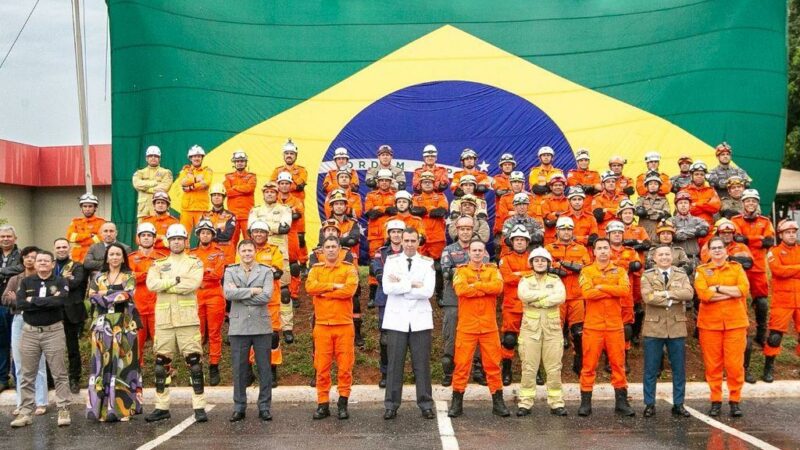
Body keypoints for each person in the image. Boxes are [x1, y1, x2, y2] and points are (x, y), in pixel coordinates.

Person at [145, 224, 208, 423]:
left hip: (188, 320)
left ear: (186, 241)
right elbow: (151, 285)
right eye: (173, 239)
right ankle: (161, 407)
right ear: (168, 241)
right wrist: (176, 281)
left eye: (180, 239)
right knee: (161, 365)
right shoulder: (158, 263)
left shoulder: (194, 262)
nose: (177, 242)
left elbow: (193, 284)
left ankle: (199, 407)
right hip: (164, 321)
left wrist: (167, 283)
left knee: (194, 364)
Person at [448, 240, 510, 418]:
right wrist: (484, 288)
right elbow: (460, 290)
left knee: (493, 366)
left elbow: (497, 287)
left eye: (480, 250)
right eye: (473, 250)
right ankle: (456, 404)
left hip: (489, 327)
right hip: (467, 327)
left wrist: (476, 286)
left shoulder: (493, 270)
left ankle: (498, 403)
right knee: (461, 366)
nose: (476, 253)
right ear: (468, 252)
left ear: (484, 253)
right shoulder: (460, 271)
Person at [11, 251, 72, 428]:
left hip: (53, 332)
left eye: (46, 260)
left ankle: (63, 409)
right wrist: (45, 300)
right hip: (29, 333)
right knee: (26, 374)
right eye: (39, 261)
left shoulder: (60, 281)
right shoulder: (26, 281)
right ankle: (25, 413)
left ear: (52, 264)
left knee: (59, 373)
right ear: (35, 264)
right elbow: (20, 304)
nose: (43, 263)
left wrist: (33, 300)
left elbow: (60, 302)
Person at [380, 228, 435, 420]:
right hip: (397, 320)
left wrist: (402, 284)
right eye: (407, 240)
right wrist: (413, 283)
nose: (410, 244)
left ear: (419, 242)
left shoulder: (428, 263)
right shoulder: (391, 261)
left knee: (422, 365)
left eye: (413, 240)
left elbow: (428, 291)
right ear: (400, 241)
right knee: (395, 364)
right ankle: (391, 405)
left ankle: (426, 404)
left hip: (420, 321)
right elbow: (387, 288)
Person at [577, 238, 635, 417]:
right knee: (588, 365)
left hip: (614, 326)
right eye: (599, 248)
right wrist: (611, 289)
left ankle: (622, 402)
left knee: (618, 365)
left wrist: (601, 286)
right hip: (593, 327)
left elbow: (625, 291)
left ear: (610, 251)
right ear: (593, 252)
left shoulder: (620, 270)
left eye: (605, 248)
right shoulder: (586, 271)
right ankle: (585, 403)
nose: (603, 251)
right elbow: (587, 293)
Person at [694, 236, 750, 417]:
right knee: (713, 366)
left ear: (727, 251)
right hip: (710, 325)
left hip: (735, 324)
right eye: (714, 248)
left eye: (720, 248)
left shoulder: (737, 268)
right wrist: (729, 292)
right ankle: (715, 400)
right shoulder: (702, 270)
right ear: (708, 252)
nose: (717, 251)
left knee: (734, 365)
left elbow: (743, 290)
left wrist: (717, 288)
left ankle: (735, 400)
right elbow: (703, 294)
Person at [86, 243, 142, 422]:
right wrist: (112, 296)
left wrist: (105, 296)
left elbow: (127, 295)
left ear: (123, 257)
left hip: (124, 325)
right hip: (101, 325)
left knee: (122, 365)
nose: (115, 257)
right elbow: (91, 295)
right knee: (100, 365)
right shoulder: (98, 276)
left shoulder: (129, 276)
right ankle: (99, 411)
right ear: (107, 257)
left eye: (118, 254)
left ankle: (122, 410)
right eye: (112, 254)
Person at [305, 236, 359, 420]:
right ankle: (323, 404)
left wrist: (324, 292)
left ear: (339, 249)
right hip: (322, 326)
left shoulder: (349, 268)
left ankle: (343, 403)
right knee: (321, 368)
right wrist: (334, 286)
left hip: (344, 325)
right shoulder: (315, 269)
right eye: (327, 247)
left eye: (333, 246)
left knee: (345, 368)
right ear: (322, 250)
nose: (330, 250)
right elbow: (310, 288)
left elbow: (349, 291)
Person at [640, 245, 694, 418]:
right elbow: (648, 297)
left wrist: (664, 294)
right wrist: (672, 298)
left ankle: (679, 404)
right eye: (660, 254)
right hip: (653, 327)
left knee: (679, 369)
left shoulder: (681, 274)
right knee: (651, 369)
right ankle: (649, 404)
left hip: (676, 327)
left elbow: (688, 293)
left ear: (672, 257)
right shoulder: (647, 275)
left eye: (667, 254)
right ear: (654, 258)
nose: (664, 257)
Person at [224, 239, 275, 422]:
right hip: (238, 327)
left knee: (264, 369)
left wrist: (241, 294)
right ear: (239, 252)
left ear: (255, 252)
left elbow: (267, 296)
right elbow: (228, 294)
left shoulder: (266, 271)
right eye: (243, 250)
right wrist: (253, 290)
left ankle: (264, 407)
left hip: (261, 326)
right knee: (239, 370)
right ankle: (239, 407)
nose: (247, 254)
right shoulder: (230, 270)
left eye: (250, 250)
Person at [516, 247, 567, 416]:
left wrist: (538, 299)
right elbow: (524, 295)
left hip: (552, 331)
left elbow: (560, 297)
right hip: (530, 330)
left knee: (554, 368)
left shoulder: (556, 279)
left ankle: (556, 402)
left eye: (543, 260)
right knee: (529, 367)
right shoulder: (525, 280)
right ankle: (525, 402)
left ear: (548, 263)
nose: (540, 263)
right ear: (531, 263)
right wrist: (546, 296)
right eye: (536, 260)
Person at [440, 217, 488, 387]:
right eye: (462, 229)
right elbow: (446, 273)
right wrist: (469, 272)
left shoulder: (480, 249)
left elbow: (485, 271)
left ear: (473, 230)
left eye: (468, 229)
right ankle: (449, 372)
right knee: (451, 335)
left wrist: (460, 272)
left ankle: (476, 370)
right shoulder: (448, 249)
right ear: (457, 230)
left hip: (475, 299)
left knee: (476, 335)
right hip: (453, 299)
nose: (465, 232)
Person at [2, 246, 47, 416]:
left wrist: (20, 299)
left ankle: (41, 402)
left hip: (38, 321)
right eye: (27, 257)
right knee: (19, 364)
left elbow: (47, 301)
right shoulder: (15, 279)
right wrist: (26, 301)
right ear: (22, 259)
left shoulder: (44, 279)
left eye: (34, 257)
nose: (30, 260)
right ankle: (22, 402)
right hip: (19, 320)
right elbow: (5, 298)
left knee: (39, 363)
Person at [248, 182, 294, 343]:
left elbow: (285, 228)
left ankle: (287, 327)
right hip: (259, 253)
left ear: (277, 193)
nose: (269, 194)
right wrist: (274, 227)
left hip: (280, 253)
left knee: (284, 291)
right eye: (266, 192)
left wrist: (263, 226)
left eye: (272, 192)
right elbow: (250, 229)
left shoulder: (285, 209)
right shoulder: (255, 210)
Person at [546, 217, 592, 374]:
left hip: (576, 295)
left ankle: (578, 360)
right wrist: (559, 268)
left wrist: (564, 264)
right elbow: (545, 266)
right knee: (554, 331)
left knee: (578, 331)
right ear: (557, 231)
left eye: (569, 229)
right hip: (556, 295)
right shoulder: (549, 248)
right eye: (563, 229)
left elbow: (585, 267)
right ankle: (553, 363)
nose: (566, 232)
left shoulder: (581, 249)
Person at [731, 189, 775, 350]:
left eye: (753, 201)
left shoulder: (765, 221)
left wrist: (748, 239)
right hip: (741, 267)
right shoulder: (735, 220)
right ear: (742, 203)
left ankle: (761, 334)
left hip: (758, 268)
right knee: (739, 300)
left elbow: (769, 241)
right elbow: (736, 239)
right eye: (747, 201)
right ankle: (743, 334)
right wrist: (758, 239)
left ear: (757, 203)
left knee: (762, 302)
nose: (751, 203)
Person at [189, 220, 227, 386]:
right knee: (197, 334)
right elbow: (189, 275)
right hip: (196, 295)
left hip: (214, 295)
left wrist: (201, 272)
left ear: (212, 235)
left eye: (208, 232)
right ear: (198, 235)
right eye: (202, 232)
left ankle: (214, 366)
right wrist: (206, 271)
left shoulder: (219, 253)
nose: (205, 235)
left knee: (214, 333)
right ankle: (196, 368)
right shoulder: (191, 253)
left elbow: (218, 274)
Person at [763, 220, 800, 382]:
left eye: (793, 232)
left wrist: (788, 270)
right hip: (781, 300)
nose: (791, 235)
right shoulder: (774, 251)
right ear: (781, 234)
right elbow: (778, 271)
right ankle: (768, 367)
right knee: (775, 336)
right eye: (788, 232)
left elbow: (784, 271)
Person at [371, 220, 406, 387]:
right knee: (385, 338)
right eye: (393, 232)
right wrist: (384, 276)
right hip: (386, 299)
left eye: (400, 232)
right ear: (389, 234)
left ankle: (402, 372)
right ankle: (385, 373)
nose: (396, 235)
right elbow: (377, 270)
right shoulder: (381, 252)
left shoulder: (411, 252)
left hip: (406, 299)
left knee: (406, 337)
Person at [498, 226, 534, 386]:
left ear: (527, 242)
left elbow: (537, 276)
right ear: (512, 242)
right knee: (510, 340)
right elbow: (506, 278)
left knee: (533, 340)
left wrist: (517, 274)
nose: (520, 242)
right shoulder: (505, 259)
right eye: (517, 240)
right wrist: (526, 274)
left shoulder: (534, 258)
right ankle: (506, 371)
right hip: (511, 306)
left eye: (522, 240)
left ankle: (535, 372)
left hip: (531, 305)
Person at [128, 222, 167, 364]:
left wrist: (141, 275)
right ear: (138, 238)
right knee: (137, 342)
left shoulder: (162, 258)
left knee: (161, 341)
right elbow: (130, 279)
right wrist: (150, 274)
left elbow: (164, 279)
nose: (146, 238)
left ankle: (164, 371)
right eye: (143, 235)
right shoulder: (131, 258)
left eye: (149, 235)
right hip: (137, 307)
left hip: (158, 306)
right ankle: (136, 372)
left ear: (154, 238)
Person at [53, 238, 88, 394]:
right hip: (52, 312)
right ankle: (52, 379)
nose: (61, 249)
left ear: (69, 248)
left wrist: (56, 282)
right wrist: (64, 279)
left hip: (71, 313)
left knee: (72, 349)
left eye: (64, 247)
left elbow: (74, 284)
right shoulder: (50, 265)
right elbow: (46, 286)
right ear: (54, 249)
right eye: (58, 247)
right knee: (52, 349)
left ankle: (74, 379)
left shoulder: (77, 266)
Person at [0, 225, 22, 394]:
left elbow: (21, 269)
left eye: (8, 236)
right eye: (2, 236)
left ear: (15, 238)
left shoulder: (21, 254)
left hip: (15, 304)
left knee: (17, 344)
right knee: (2, 342)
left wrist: (2, 271)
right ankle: (2, 378)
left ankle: (17, 377)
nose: (5, 239)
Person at [178, 145, 213, 234]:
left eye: (199, 156)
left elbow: (206, 183)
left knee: (204, 235)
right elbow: (183, 182)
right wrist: (195, 179)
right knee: (184, 235)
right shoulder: (185, 171)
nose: (197, 158)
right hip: (187, 209)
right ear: (190, 158)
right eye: (194, 156)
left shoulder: (207, 171)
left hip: (202, 208)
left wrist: (190, 187)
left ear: (202, 158)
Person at [132, 145, 173, 221]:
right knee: (142, 231)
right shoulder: (139, 172)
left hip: (160, 210)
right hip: (143, 210)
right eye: (150, 156)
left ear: (159, 158)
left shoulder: (166, 172)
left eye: (156, 156)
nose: (153, 158)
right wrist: (154, 183)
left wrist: (146, 188)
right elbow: (137, 184)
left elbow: (164, 188)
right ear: (146, 158)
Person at [225, 150, 257, 242]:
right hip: (232, 216)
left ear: (246, 163)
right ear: (234, 163)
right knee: (231, 243)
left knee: (250, 241)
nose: (240, 163)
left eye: (242, 161)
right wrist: (243, 190)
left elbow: (250, 189)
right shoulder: (228, 177)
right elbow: (227, 192)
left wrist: (234, 187)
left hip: (247, 216)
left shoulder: (252, 176)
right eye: (237, 161)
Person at [202, 184, 238, 263]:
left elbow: (227, 236)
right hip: (208, 253)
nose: (216, 197)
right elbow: (200, 236)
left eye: (219, 195)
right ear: (211, 197)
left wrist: (209, 235)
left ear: (224, 197)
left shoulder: (230, 215)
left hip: (225, 254)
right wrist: (217, 232)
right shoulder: (205, 215)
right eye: (214, 195)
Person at [364, 169, 397, 255]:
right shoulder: (370, 195)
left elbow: (396, 211)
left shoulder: (396, 195)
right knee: (375, 259)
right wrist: (387, 209)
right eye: (382, 180)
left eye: (387, 180)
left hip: (392, 232)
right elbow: (371, 214)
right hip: (375, 234)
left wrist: (378, 208)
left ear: (390, 182)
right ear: (378, 182)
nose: (384, 182)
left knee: (393, 258)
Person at [66, 193, 106, 262]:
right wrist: (90, 235)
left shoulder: (101, 222)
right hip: (76, 259)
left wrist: (80, 240)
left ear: (95, 208)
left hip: (94, 258)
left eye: (90, 206)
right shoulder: (75, 222)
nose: (87, 209)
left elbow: (101, 240)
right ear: (81, 208)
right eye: (85, 206)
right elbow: (70, 237)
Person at [681, 161, 721, 230]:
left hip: (709, 227)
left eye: (702, 174)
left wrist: (696, 204)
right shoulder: (684, 191)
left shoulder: (711, 190)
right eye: (696, 174)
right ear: (692, 176)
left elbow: (715, 208)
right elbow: (685, 210)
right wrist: (706, 204)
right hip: (689, 227)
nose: (699, 176)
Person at [634, 174, 672, 239]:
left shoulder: (664, 200)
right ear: (647, 186)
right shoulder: (641, 199)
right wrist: (657, 213)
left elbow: (666, 214)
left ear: (659, 186)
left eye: (655, 184)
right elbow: (637, 211)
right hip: (643, 229)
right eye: (650, 184)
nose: (653, 186)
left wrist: (647, 214)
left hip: (657, 230)